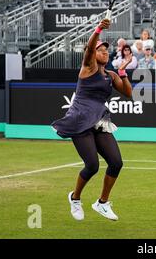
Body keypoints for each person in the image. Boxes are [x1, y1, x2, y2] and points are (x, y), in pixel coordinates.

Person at [52, 18, 131, 222]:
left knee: (116, 163)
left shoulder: (111, 75)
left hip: (100, 121)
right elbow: (88, 49)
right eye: (100, 50)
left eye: (106, 50)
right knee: (92, 166)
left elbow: (128, 94)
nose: (104, 52)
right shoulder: (87, 67)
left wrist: (122, 72)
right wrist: (98, 30)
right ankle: (75, 198)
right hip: (80, 120)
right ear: (93, 54)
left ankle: (102, 203)